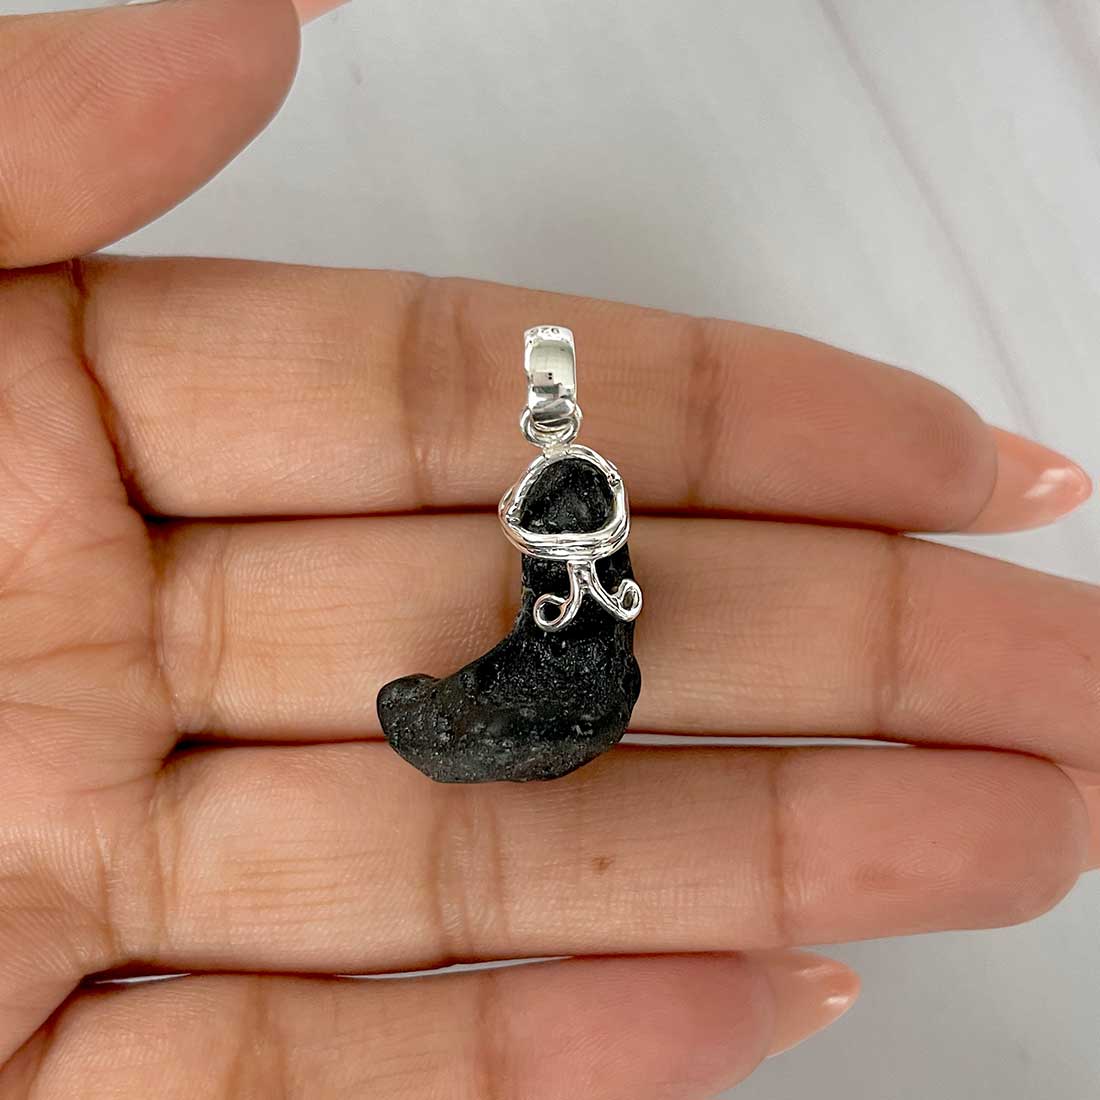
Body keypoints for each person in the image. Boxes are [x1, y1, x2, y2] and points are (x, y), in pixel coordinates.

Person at [0, 0, 1096, 1096]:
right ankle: (527, 670)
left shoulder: (583, 575)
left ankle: (537, 667)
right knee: (539, 663)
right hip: (561, 617)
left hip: (569, 621)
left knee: (554, 659)